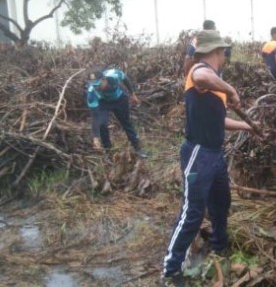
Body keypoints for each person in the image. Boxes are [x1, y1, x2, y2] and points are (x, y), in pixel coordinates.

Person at [162, 30, 253, 286]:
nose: (225, 56)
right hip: (198, 154)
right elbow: (201, 75)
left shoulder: (214, 81)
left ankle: (219, 245)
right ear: (217, 52)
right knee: (192, 212)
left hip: (215, 154)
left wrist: (248, 127)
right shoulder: (199, 72)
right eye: (224, 52)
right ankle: (171, 269)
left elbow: (219, 120)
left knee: (221, 203)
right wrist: (232, 89)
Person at [86, 68, 148, 158]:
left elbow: (125, 79)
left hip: (120, 100)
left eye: (98, 85)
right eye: (94, 86)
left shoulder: (113, 75)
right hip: (103, 103)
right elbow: (95, 117)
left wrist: (132, 94)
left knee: (126, 123)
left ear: (104, 79)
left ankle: (138, 149)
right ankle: (108, 152)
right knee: (102, 124)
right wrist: (95, 138)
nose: (97, 88)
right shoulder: (91, 94)